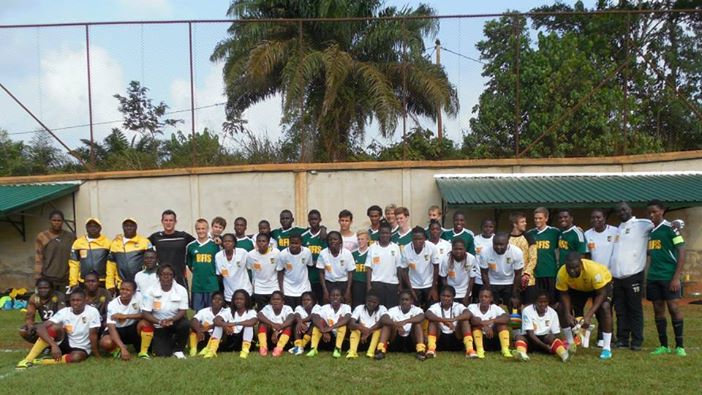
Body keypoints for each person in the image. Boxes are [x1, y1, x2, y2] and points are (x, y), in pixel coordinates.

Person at [17, 288, 101, 368]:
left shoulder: (92, 312)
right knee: (53, 327)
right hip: (65, 342)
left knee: (76, 358)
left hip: (81, 347)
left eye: (78, 300)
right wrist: (53, 345)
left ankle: (42, 361)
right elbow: (41, 327)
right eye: (73, 300)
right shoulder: (65, 311)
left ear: (85, 300)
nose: (75, 303)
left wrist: (97, 355)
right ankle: (28, 359)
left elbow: (93, 335)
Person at [646, 200, 687, 357]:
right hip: (653, 277)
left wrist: (676, 278)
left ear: (662, 211)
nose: (652, 215)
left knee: (674, 308)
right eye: (649, 212)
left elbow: (682, 251)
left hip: (669, 276)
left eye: (655, 212)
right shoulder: (651, 232)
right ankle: (663, 345)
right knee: (658, 310)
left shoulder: (671, 228)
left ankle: (680, 346)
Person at [556, 252, 614, 360]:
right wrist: (567, 313)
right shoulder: (562, 273)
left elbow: (601, 294)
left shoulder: (593, 270)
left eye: (575, 267)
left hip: (601, 286)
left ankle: (606, 348)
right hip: (579, 287)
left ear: (581, 265)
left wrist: (589, 315)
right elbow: (563, 293)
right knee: (561, 308)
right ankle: (570, 342)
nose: (572, 270)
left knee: (604, 307)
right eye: (569, 268)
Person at [610, 201, 651, 350]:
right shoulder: (618, 229)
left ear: (630, 209)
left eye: (624, 209)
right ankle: (622, 339)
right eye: (619, 211)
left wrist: (677, 224)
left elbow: (661, 224)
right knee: (620, 310)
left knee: (634, 309)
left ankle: (637, 340)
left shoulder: (642, 224)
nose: (622, 213)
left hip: (633, 275)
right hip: (617, 277)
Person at [141, 264, 190, 358]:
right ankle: (169, 342)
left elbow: (182, 311)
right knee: (162, 354)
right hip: (158, 324)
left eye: (170, 274)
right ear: (158, 276)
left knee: (185, 324)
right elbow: (145, 313)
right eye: (163, 274)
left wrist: (172, 320)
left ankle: (179, 349)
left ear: (174, 276)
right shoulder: (150, 291)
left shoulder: (181, 290)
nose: (166, 277)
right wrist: (159, 321)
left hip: (175, 322)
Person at [512, 291, 570, 362]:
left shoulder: (553, 313)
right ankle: (522, 354)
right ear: (535, 302)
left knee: (550, 337)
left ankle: (563, 354)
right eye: (540, 302)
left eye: (545, 302)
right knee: (519, 337)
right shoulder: (527, 311)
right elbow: (530, 334)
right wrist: (545, 347)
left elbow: (556, 334)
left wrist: (560, 343)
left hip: (545, 340)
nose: (543, 304)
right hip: (531, 340)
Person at [99, 280, 147, 360]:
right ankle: (117, 351)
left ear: (134, 292)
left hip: (132, 328)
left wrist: (125, 316)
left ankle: (144, 351)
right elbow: (111, 328)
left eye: (127, 290)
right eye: (122, 289)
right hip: (118, 329)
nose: (124, 292)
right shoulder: (112, 304)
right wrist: (123, 348)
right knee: (106, 342)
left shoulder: (139, 297)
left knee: (145, 323)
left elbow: (145, 315)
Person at [425, 285, 476, 358]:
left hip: (456, 337)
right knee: (432, 321)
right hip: (440, 338)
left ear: (453, 297)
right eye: (443, 295)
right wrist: (444, 321)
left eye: (448, 296)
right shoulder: (435, 306)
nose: (445, 298)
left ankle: (470, 350)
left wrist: (454, 319)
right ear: (440, 296)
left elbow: (469, 314)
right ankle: (431, 349)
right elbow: (427, 314)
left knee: (465, 321)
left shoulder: (458, 305)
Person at [148, 210, 195, 288]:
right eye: (166, 220)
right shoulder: (156, 237)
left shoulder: (183, 236)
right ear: (162, 222)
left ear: (175, 222)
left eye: (171, 220)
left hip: (180, 277)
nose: (168, 223)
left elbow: (199, 244)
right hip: (162, 277)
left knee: (183, 300)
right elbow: (142, 245)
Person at [479, 232, 524, 312]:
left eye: (501, 245)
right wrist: (489, 293)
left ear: (507, 243)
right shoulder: (485, 252)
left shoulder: (517, 252)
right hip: (492, 283)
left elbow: (518, 275)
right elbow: (484, 274)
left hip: (510, 282)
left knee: (513, 307)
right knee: (491, 309)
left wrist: (515, 295)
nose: (498, 247)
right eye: (495, 244)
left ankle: (513, 323)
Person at [376, 291, 426, 360]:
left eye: (407, 299)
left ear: (411, 301)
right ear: (399, 301)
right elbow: (383, 319)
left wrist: (405, 321)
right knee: (387, 325)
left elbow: (422, 317)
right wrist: (396, 325)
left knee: (417, 324)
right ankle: (381, 350)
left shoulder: (417, 309)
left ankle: (420, 351)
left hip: (411, 340)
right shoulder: (393, 310)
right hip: (395, 339)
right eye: (402, 299)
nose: (404, 302)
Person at [106, 218, 153, 292]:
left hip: (140, 284)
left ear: (136, 227)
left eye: (131, 225)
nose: (129, 227)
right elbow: (111, 266)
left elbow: (152, 262)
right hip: (122, 285)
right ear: (123, 227)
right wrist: (110, 284)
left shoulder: (144, 242)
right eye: (126, 225)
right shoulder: (115, 243)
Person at [34, 210, 75, 292]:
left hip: (65, 278)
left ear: (63, 222)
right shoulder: (42, 237)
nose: (57, 223)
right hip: (48, 278)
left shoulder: (70, 237)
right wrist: (37, 278)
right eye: (54, 220)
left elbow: (75, 258)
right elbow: (39, 258)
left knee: (65, 303)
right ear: (50, 221)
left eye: (59, 220)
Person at [526, 207, 561, 303]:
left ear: (546, 218)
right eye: (535, 218)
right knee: (536, 301)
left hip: (550, 273)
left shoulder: (555, 232)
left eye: (540, 218)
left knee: (552, 301)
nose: (537, 220)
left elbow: (566, 236)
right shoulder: (530, 233)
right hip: (535, 274)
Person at [365, 223, 403, 308]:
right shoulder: (372, 247)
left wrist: (400, 284)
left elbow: (399, 267)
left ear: (390, 234)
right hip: (376, 284)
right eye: (382, 233)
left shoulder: (395, 247)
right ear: (379, 233)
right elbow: (369, 268)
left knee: (391, 309)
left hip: (392, 284)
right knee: (378, 309)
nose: (384, 235)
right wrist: (369, 285)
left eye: (387, 233)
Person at [401, 226, 439, 309]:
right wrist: (411, 290)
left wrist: (433, 288)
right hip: (413, 285)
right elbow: (404, 270)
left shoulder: (431, 247)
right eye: (415, 239)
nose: (418, 241)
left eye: (420, 239)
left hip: (429, 284)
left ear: (425, 238)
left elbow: (436, 267)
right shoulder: (406, 249)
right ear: (412, 238)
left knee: (431, 310)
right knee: (415, 311)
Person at [212, 289, 258, 359]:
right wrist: (225, 325)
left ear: (246, 300)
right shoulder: (229, 311)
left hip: (246, 342)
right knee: (219, 325)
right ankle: (212, 349)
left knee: (248, 325)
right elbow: (216, 320)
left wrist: (234, 323)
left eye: (241, 299)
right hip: (230, 341)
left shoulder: (251, 312)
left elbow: (252, 322)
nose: (238, 301)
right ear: (233, 300)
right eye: (236, 299)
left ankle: (245, 351)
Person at [186, 218, 220, 311]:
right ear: (195, 230)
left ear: (207, 229)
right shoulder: (191, 246)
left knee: (212, 311)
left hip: (212, 284)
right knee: (198, 313)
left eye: (203, 228)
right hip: (197, 285)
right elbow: (189, 264)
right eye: (198, 229)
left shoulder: (215, 245)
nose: (201, 231)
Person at [307, 288, 351, 358]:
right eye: (332, 295)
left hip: (341, 336)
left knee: (343, 325)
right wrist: (323, 330)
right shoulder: (325, 307)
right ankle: (313, 349)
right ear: (329, 297)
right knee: (316, 327)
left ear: (341, 297)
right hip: (328, 336)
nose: (335, 297)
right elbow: (315, 317)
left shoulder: (346, 307)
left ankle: (338, 349)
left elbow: (347, 319)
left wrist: (330, 328)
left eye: (337, 295)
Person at [68, 218, 111, 289]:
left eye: (95, 226)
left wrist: (110, 284)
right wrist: (73, 283)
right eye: (90, 226)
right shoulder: (78, 242)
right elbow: (74, 264)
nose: (93, 228)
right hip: (84, 281)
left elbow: (111, 265)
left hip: (102, 281)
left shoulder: (108, 243)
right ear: (86, 228)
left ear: (100, 228)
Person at [468, 289, 512, 359]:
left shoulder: (495, 308)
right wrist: (483, 326)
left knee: (502, 325)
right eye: (481, 297)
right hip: (478, 338)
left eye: (486, 297)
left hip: (493, 337)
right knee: (476, 325)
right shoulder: (472, 307)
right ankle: (480, 350)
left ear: (491, 299)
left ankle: (505, 350)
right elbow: (472, 320)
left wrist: (492, 321)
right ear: (478, 298)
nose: (483, 299)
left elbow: (507, 318)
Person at [19, 278, 65, 344]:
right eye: (40, 288)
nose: (43, 290)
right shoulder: (34, 298)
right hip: (45, 324)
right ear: (37, 289)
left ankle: (56, 344)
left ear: (52, 289)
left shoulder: (59, 296)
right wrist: (30, 326)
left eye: (46, 288)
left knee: (53, 327)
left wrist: (49, 324)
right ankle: (45, 345)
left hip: (58, 325)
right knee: (23, 330)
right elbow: (29, 317)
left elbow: (62, 316)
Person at [317, 231, 355, 304]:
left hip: (343, 283)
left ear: (340, 241)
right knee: (328, 306)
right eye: (330, 239)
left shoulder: (347, 253)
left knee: (343, 306)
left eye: (335, 239)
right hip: (329, 283)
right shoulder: (323, 253)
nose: (332, 241)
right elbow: (321, 272)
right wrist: (325, 290)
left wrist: (348, 290)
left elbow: (350, 272)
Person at [277, 233, 314, 307]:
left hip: (304, 288)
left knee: (303, 312)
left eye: (296, 243)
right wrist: (281, 289)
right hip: (288, 289)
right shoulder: (283, 254)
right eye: (292, 243)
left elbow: (310, 265)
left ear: (301, 243)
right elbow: (280, 271)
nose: (293, 245)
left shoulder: (307, 252)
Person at [347, 291, 387, 359]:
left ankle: (370, 352)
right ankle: (352, 352)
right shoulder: (359, 308)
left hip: (373, 337)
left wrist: (369, 331)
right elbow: (351, 323)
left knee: (378, 330)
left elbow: (384, 321)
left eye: (374, 302)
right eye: (369, 301)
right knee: (355, 329)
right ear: (365, 300)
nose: (371, 304)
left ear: (378, 302)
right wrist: (361, 328)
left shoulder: (382, 308)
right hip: (361, 337)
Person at [246, 233, 281, 309]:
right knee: (261, 312)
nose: (261, 243)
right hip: (259, 289)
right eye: (259, 241)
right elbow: (249, 269)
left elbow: (279, 270)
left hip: (274, 287)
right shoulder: (250, 255)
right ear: (256, 242)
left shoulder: (276, 253)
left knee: (274, 311)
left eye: (264, 241)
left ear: (268, 243)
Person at [438, 238, 478, 305]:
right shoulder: (445, 259)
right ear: (452, 249)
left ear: (465, 249)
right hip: (451, 293)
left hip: (465, 293)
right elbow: (443, 277)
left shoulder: (471, 258)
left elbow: (472, 278)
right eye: (456, 249)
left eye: (461, 249)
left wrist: (467, 296)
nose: (458, 251)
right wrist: (448, 293)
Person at [189, 291, 227, 358]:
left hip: (218, 339)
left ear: (223, 302)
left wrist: (208, 327)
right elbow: (193, 320)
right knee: (194, 328)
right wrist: (199, 331)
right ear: (211, 301)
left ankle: (209, 349)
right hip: (203, 337)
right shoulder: (204, 311)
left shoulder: (226, 311)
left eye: (220, 300)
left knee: (219, 327)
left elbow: (224, 325)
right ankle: (193, 349)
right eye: (214, 299)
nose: (217, 301)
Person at [215, 233, 251, 303]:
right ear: (222, 243)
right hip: (229, 294)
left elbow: (250, 266)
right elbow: (219, 275)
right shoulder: (218, 256)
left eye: (230, 241)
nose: (227, 243)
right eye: (225, 241)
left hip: (245, 290)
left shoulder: (242, 253)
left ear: (234, 243)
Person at [257, 291, 295, 357]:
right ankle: (263, 347)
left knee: (288, 326)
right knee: (262, 324)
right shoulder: (267, 308)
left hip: (282, 337)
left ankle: (279, 349)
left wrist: (279, 329)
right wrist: (273, 324)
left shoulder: (287, 308)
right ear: (271, 301)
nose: (275, 301)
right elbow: (259, 315)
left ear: (283, 302)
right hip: (269, 337)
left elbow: (291, 318)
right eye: (273, 299)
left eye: (278, 299)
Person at [289, 291, 321, 355]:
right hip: (302, 331)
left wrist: (301, 321)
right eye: (304, 300)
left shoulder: (317, 307)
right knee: (296, 324)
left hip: (312, 334)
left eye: (308, 300)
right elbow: (296, 315)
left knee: (314, 324)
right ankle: (298, 345)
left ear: (313, 301)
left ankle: (302, 345)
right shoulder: (299, 307)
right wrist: (300, 323)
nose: (306, 301)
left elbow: (313, 316)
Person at [472, 219, 495, 303]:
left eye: (491, 227)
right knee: (478, 301)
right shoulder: (475, 240)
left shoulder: (496, 239)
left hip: (492, 278)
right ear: (481, 227)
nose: (488, 229)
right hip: (478, 278)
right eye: (485, 226)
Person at [351, 230, 370, 308]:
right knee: (357, 305)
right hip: (356, 283)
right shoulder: (353, 253)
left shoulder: (372, 251)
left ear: (367, 240)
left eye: (362, 239)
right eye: (358, 239)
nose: (360, 241)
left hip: (368, 282)